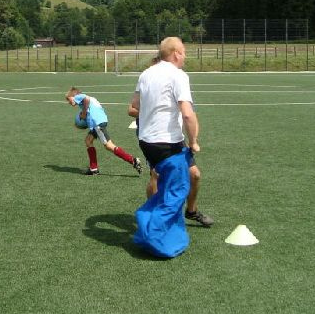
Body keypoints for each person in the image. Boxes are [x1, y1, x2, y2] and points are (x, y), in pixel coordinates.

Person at [128, 37, 201, 257]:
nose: (185, 56)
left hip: (146, 141)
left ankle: (170, 224)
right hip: (167, 143)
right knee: (176, 191)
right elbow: (187, 114)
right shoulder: (178, 75)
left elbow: (135, 106)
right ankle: (151, 233)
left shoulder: (146, 74)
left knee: (176, 181)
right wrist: (194, 141)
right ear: (176, 53)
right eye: (184, 52)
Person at [128, 56, 212, 227]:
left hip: (176, 139)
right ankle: (155, 216)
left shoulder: (176, 83)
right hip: (153, 138)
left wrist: (193, 139)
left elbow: (190, 114)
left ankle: (191, 211)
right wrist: (151, 111)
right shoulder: (149, 84)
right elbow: (131, 109)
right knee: (156, 176)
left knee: (194, 175)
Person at [65, 87, 142, 176]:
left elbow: (86, 99)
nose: (69, 102)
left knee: (109, 146)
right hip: (98, 122)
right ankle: (93, 168)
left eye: (69, 99)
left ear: (74, 95)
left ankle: (133, 161)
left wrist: (84, 113)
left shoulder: (79, 96)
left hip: (97, 123)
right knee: (88, 141)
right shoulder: (88, 100)